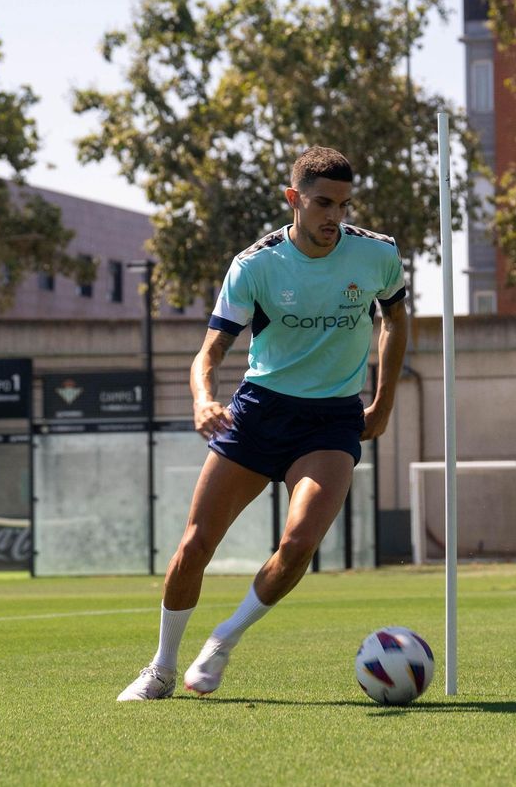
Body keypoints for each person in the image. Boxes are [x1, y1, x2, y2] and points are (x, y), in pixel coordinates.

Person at [118, 146, 409, 701]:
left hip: (330, 420)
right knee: (194, 545)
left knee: (298, 543)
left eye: (343, 206)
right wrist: (204, 400)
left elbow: (394, 318)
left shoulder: (377, 256)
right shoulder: (255, 265)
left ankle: (222, 642)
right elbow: (208, 355)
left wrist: (383, 403)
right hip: (259, 412)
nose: (334, 217)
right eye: (322, 203)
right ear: (293, 199)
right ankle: (159, 668)